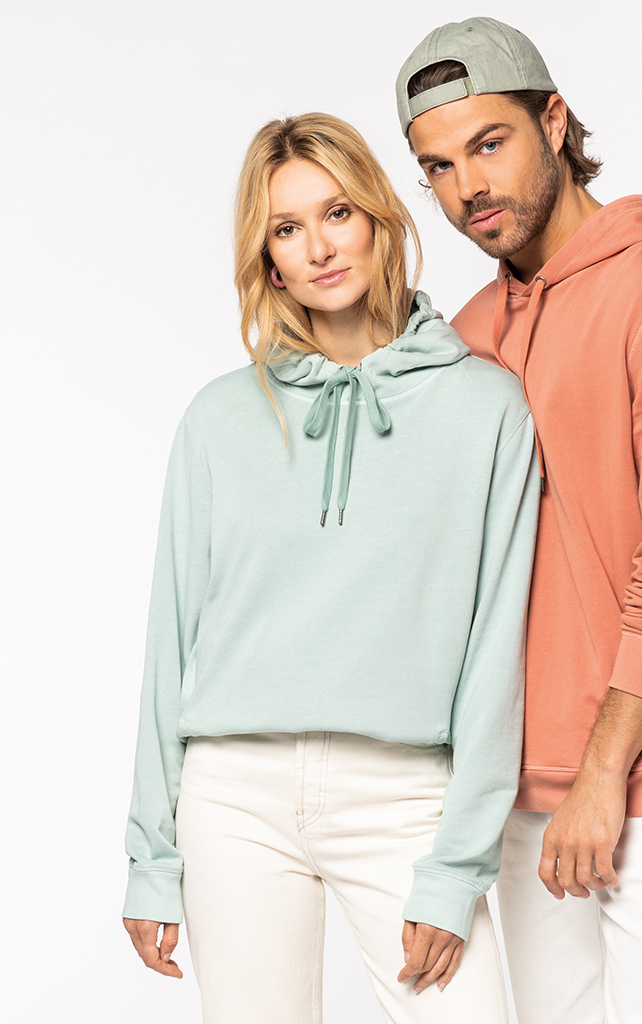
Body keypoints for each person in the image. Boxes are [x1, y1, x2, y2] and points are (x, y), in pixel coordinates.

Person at [121, 111, 539, 1024]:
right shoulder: (218, 419)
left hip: (404, 795)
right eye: (287, 227)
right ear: (268, 259)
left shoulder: (486, 409)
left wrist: (457, 862)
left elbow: (495, 648)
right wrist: (152, 856)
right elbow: (170, 639)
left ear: (380, 218)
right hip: (233, 795)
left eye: (337, 212)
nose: (318, 247)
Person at [396, 17, 642, 1024]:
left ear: (553, 122)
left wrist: (604, 774)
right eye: (438, 167)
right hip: (521, 793)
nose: (468, 187)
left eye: (489, 144)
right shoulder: (470, 337)